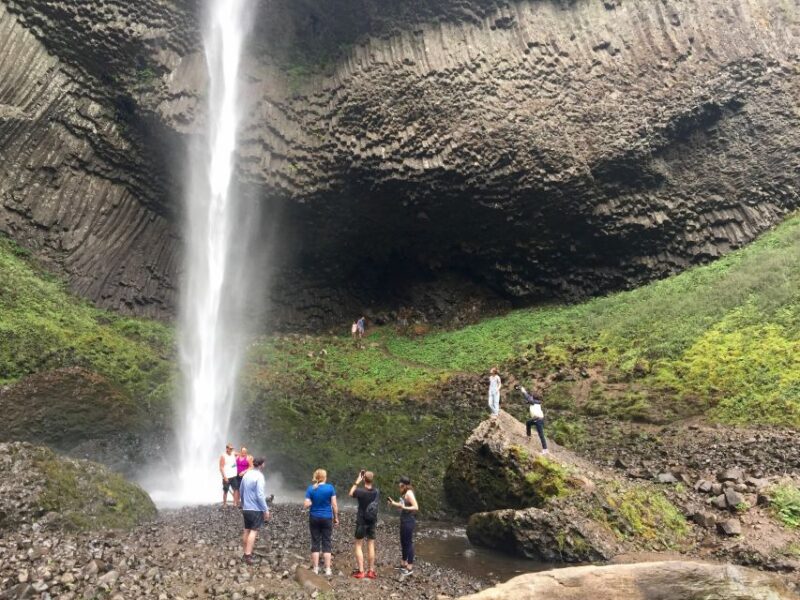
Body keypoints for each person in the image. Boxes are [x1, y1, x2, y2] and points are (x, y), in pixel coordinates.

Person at [304, 469, 339, 576]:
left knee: (315, 542)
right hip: (327, 517)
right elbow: (334, 504)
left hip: (314, 517)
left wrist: (312, 502)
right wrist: (336, 517)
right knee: (326, 542)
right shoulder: (330, 488)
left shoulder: (311, 489)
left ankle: (315, 569)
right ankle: (328, 569)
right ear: (325, 477)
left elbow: (306, 505)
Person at [349, 469, 379, 579]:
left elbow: (351, 493)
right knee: (371, 545)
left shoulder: (360, 492)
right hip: (372, 521)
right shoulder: (376, 491)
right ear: (372, 479)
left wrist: (357, 481)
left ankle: (361, 571)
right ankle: (371, 571)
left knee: (358, 545)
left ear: (364, 479)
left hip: (361, 521)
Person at [240, 457, 270, 565]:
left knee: (246, 530)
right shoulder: (259, 476)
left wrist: (243, 504)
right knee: (254, 531)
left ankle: (245, 553)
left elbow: (241, 490)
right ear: (261, 465)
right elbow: (260, 495)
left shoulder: (246, 475)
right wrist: (265, 509)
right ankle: (248, 556)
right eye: (264, 464)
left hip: (246, 508)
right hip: (255, 508)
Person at [387, 476, 418, 578]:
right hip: (404, 521)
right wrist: (393, 503)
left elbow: (416, 507)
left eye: (400, 485)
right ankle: (403, 563)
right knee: (403, 542)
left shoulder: (409, 493)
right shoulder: (406, 493)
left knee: (408, 543)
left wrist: (404, 507)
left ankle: (409, 567)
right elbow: (402, 505)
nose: (399, 486)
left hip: (409, 521)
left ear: (404, 485)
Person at [520, 385, 549, 454]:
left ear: (534, 398)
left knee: (541, 434)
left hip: (538, 420)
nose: (531, 397)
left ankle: (545, 449)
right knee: (528, 423)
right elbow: (529, 400)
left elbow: (528, 397)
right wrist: (527, 402)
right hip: (536, 419)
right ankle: (529, 436)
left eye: (532, 396)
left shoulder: (534, 402)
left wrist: (523, 390)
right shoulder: (536, 402)